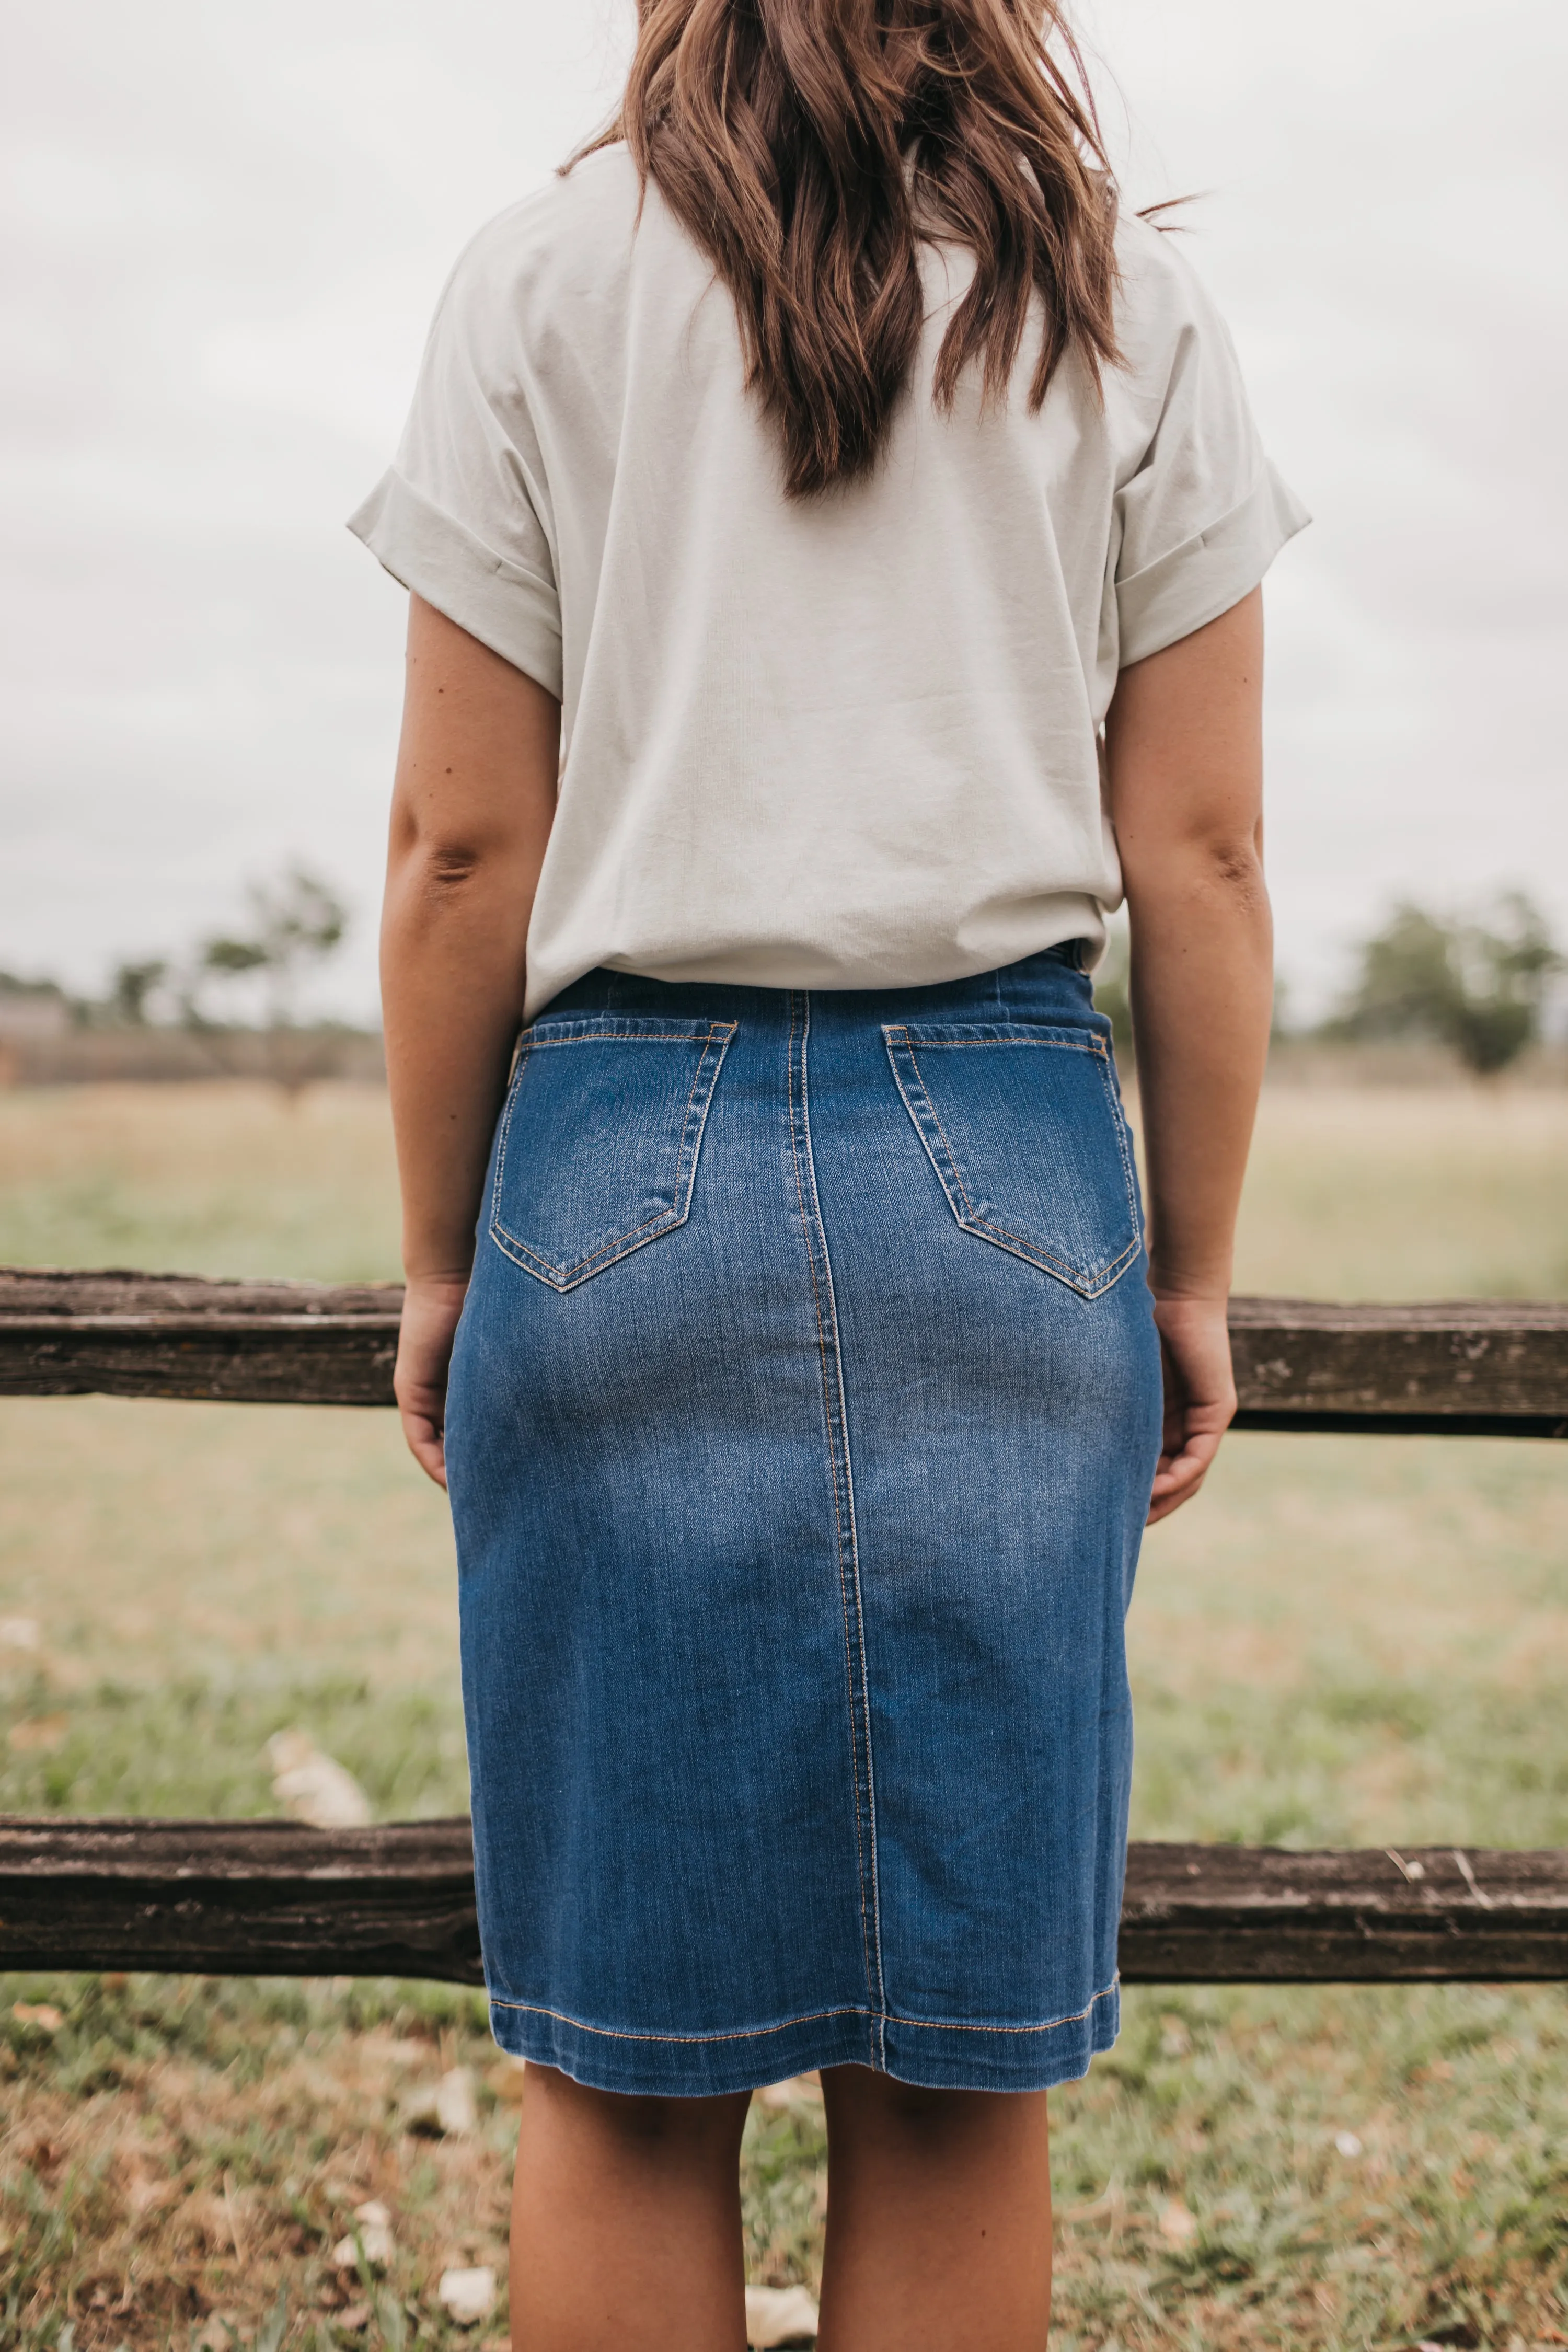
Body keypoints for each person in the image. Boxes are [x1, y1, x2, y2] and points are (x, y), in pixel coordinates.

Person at [351, 0, 1305, 2342]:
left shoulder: (539, 278)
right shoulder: (1130, 306)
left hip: (607, 1179)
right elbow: (1200, 859)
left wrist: (444, 1257)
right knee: (961, 2077)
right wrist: (1184, 1278)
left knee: (624, 2078)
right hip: (1004, 1181)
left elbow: (462, 851)